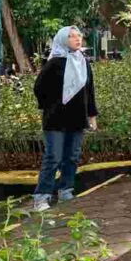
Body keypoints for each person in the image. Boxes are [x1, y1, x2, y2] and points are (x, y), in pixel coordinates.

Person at [32, 26, 98, 212]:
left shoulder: (83, 62)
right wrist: (52, 105)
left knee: (72, 156)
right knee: (53, 157)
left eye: (79, 36)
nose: (77, 39)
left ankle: (65, 190)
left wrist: (92, 116)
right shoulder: (54, 63)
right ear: (62, 40)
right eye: (71, 36)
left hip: (76, 118)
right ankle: (41, 196)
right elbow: (39, 89)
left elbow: (89, 92)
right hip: (55, 120)